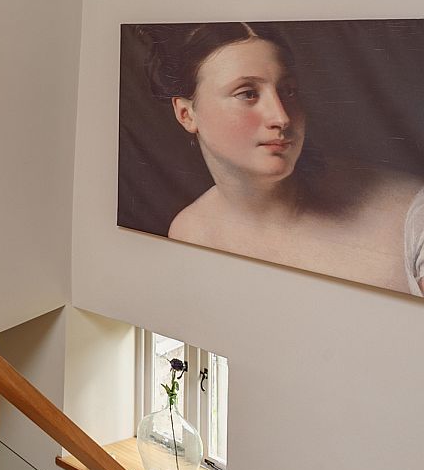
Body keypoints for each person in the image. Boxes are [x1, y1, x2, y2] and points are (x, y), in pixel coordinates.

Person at [144, 23, 424, 296]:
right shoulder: (191, 230)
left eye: (288, 90)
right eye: (248, 94)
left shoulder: (411, 216)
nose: (282, 117)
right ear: (186, 114)